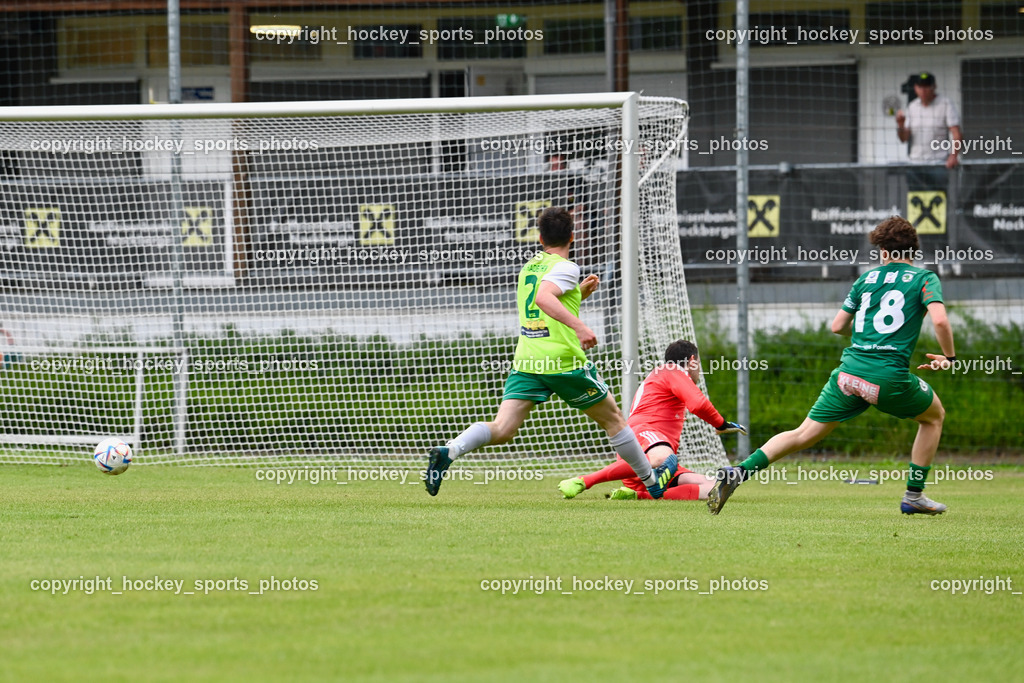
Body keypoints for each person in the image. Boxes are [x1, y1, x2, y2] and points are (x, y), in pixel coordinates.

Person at [708, 216, 955, 516]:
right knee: (933, 417)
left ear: (884, 251)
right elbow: (940, 320)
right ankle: (914, 495)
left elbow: (837, 326)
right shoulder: (924, 279)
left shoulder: (866, 280)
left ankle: (738, 472)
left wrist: (867, 339)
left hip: (848, 375)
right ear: (912, 250)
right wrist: (949, 357)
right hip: (887, 377)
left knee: (801, 433)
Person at [424, 206, 677, 497]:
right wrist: (580, 327)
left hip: (529, 360)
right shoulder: (566, 267)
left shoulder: (531, 267)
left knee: (503, 428)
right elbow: (545, 299)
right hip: (561, 362)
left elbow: (543, 301)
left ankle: (450, 450)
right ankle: (650, 481)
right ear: (573, 236)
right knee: (614, 420)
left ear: (540, 239)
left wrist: (577, 294)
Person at [557, 339, 746, 501]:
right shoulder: (672, 370)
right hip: (645, 439)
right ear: (692, 361)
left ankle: (639, 495)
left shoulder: (663, 376)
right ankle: (583, 481)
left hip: (654, 466)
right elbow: (698, 404)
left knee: (717, 487)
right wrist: (722, 424)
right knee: (663, 457)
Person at [895, 72, 963, 191]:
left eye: (927, 86)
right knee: (916, 203)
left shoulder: (945, 104)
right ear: (916, 88)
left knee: (938, 203)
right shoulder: (912, 106)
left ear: (934, 87)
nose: (924, 90)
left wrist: (953, 156)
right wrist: (900, 125)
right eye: (920, 87)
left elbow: (956, 133)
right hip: (915, 164)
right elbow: (904, 138)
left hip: (938, 164)